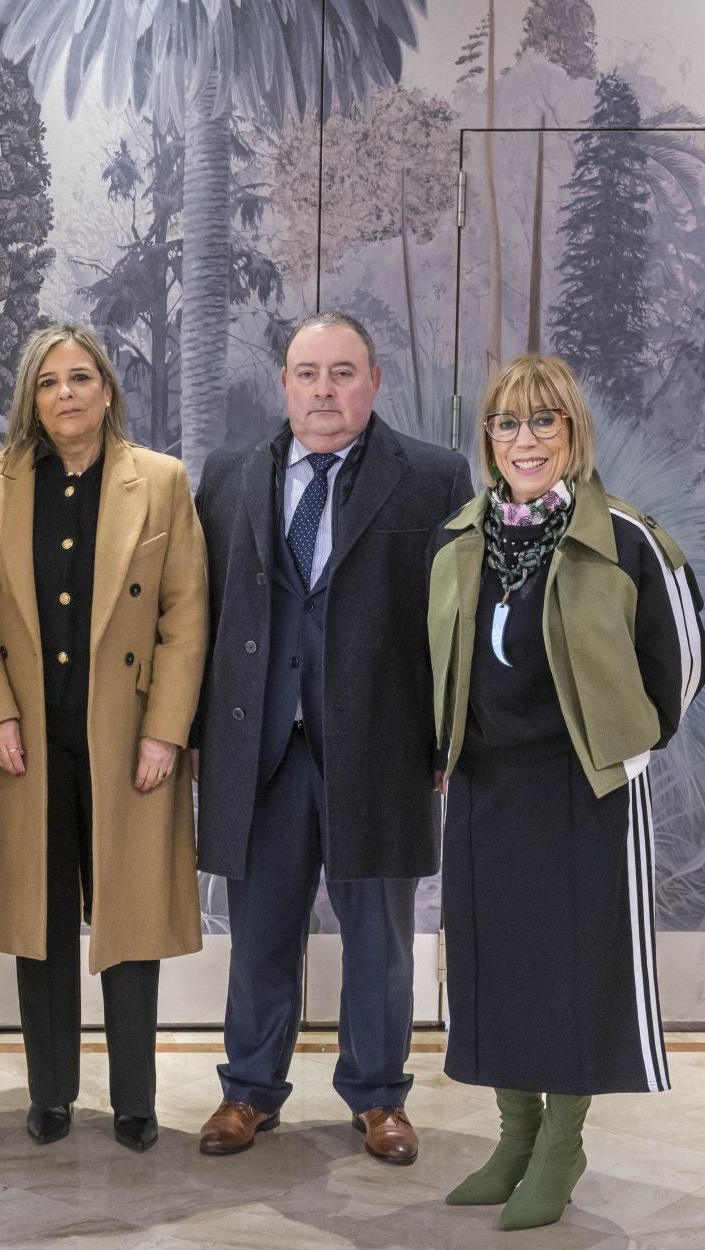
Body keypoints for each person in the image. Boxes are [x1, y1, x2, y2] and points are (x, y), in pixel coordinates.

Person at [429, 354, 705, 1230]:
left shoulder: (627, 537)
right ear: (488, 438)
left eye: (544, 420)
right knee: (499, 965)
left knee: (575, 968)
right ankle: (514, 1133)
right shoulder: (459, 539)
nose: (526, 439)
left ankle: (562, 1143)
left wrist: (627, 743)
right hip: (486, 785)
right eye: (508, 423)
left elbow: (684, 662)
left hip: (581, 788)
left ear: (573, 431)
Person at [193, 312, 473, 1164]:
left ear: (374, 381)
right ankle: (248, 1092)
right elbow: (206, 614)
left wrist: (446, 742)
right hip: (264, 750)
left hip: (382, 750)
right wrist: (203, 734)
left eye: (343, 373)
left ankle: (380, 1098)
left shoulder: (431, 476)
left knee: (381, 938)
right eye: (308, 373)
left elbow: (454, 622)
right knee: (261, 934)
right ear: (284, 382)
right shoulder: (230, 473)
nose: (324, 390)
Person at [0, 324, 207, 1152]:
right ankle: (51, 1092)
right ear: (32, 397)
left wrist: (166, 732)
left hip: (128, 739)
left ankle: (136, 1097)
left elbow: (183, 614)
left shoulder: (161, 481)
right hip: (25, 739)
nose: (67, 394)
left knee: (130, 921)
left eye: (82, 377)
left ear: (108, 388)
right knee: (43, 916)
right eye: (50, 381)